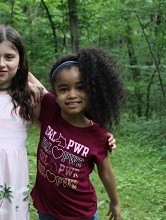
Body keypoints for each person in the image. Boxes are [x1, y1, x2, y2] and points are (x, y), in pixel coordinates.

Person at [0, 25, 117, 220]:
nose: (1, 63)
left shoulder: (28, 96)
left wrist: (99, 133)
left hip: (11, 174)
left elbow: (63, 116)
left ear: (20, 60)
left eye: (9, 57)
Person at [30, 47, 124, 220]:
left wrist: (115, 202)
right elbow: (25, 74)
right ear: (55, 93)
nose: (72, 95)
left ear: (91, 92)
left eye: (80, 87)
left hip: (80, 214)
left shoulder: (97, 134)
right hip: (46, 208)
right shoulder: (51, 109)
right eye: (64, 89)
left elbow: (106, 172)